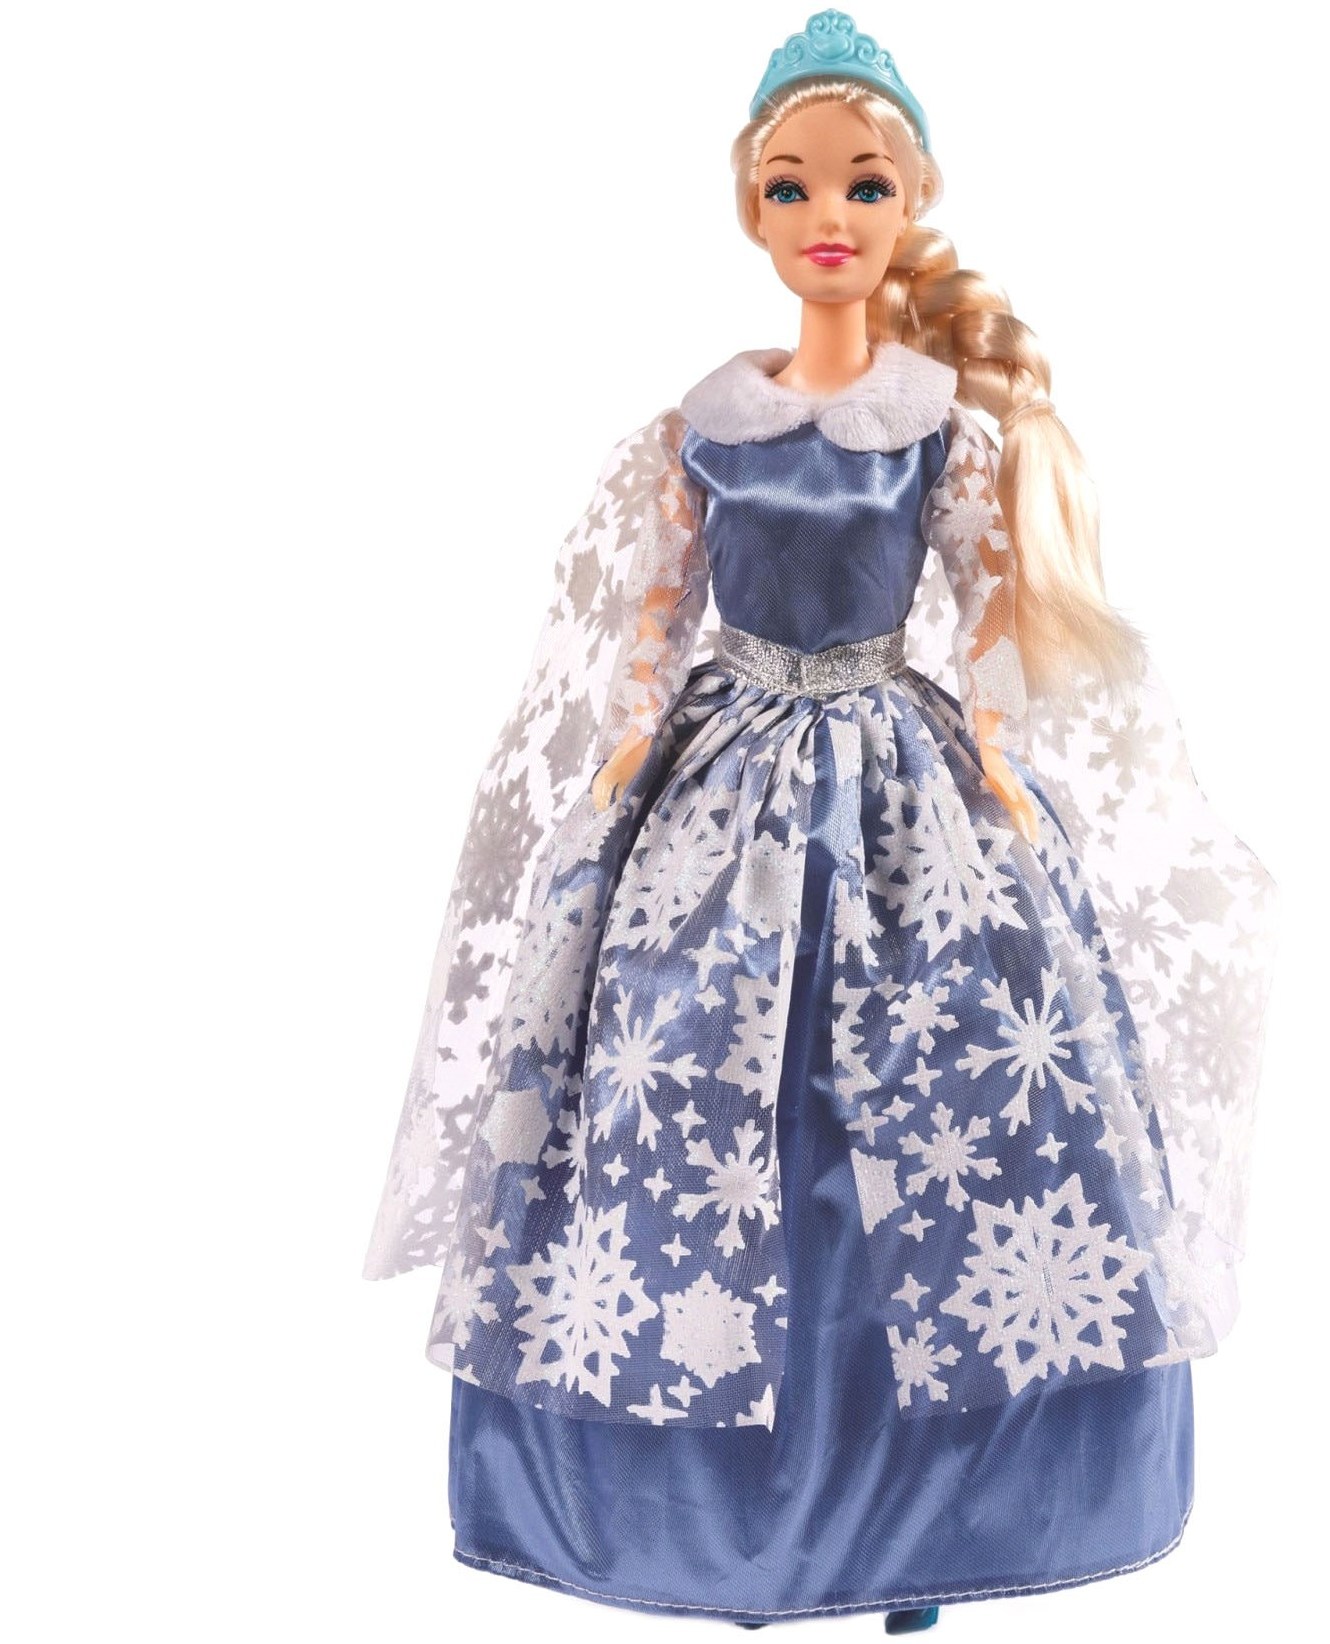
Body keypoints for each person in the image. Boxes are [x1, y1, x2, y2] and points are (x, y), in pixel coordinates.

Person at [364, 9, 1280, 1630]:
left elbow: (989, 630)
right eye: (791, 188)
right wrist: (620, 766)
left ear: (911, 202)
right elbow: (651, 630)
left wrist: (1000, 767)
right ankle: (715, 1526)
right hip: (714, 799)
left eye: (862, 185)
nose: (827, 217)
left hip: (907, 795)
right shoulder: (698, 428)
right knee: (697, 1117)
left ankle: (924, 1528)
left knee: (931, 1121)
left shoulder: (945, 429)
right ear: (752, 210)